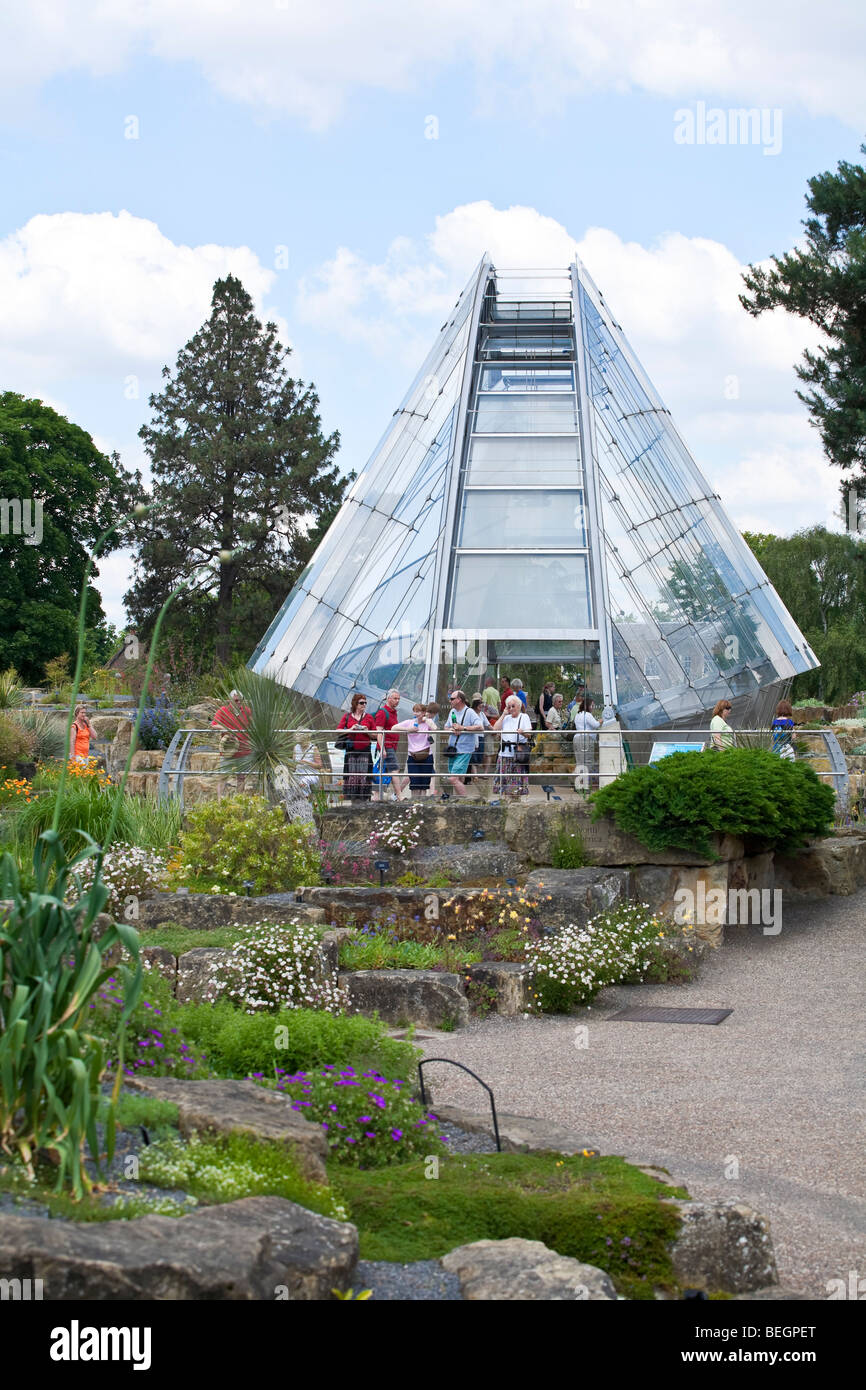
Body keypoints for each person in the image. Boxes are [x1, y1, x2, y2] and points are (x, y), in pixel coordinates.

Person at [445, 689, 484, 799]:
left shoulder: (470, 712)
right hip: (452, 749)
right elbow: (446, 727)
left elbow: (480, 726)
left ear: (459, 700)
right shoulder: (452, 712)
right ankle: (459, 801)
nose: (450, 701)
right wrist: (452, 729)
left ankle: (464, 800)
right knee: (459, 778)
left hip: (464, 750)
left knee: (453, 778)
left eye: (452, 699)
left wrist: (463, 728)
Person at [211, 688, 252, 792]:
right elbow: (214, 725)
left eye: (240, 700)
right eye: (236, 700)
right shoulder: (223, 710)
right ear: (230, 700)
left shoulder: (247, 711)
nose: (238, 702)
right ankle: (220, 804)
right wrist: (226, 729)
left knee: (241, 778)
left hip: (244, 751)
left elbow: (253, 726)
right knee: (223, 777)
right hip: (227, 752)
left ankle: (239, 804)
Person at [337, 693, 376, 801]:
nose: (364, 705)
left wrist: (367, 731)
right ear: (355, 704)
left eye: (365, 703)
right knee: (352, 777)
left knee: (364, 777)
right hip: (351, 751)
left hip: (364, 750)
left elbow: (376, 735)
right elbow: (338, 731)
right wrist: (351, 729)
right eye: (361, 703)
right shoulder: (347, 716)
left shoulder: (369, 717)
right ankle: (352, 800)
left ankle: (363, 800)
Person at [493, 694, 533, 798]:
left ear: (519, 706)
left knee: (516, 786)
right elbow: (495, 729)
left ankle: (515, 803)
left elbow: (529, 734)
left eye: (513, 706)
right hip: (504, 754)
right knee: (503, 785)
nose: (511, 708)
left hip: (517, 755)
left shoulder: (524, 717)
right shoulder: (505, 718)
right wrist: (503, 714)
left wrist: (522, 733)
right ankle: (505, 804)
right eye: (509, 706)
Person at [394, 703, 436, 798]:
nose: (416, 713)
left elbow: (434, 728)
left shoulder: (427, 722)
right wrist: (408, 729)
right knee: (414, 784)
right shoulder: (410, 722)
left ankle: (422, 806)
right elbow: (394, 727)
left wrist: (426, 720)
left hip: (426, 755)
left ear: (424, 712)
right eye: (415, 711)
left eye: (418, 711)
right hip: (413, 756)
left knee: (424, 785)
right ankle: (414, 805)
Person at [373, 688, 408, 801]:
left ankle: (376, 796)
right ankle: (399, 795)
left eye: (398, 699)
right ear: (388, 699)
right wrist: (382, 749)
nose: (397, 701)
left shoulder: (393, 713)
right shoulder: (383, 712)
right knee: (394, 770)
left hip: (392, 746)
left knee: (384, 770)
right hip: (387, 746)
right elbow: (379, 732)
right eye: (395, 698)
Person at [572, 698, 600, 789]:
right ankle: (585, 786)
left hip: (577, 738)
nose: (592, 707)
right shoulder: (587, 714)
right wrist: (601, 720)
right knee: (588, 762)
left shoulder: (578, 715)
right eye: (591, 705)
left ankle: (578, 785)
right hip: (585, 739)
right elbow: (595, 725)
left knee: (579, 762)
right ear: (587, 706)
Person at [469, 693, 494, 797]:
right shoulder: (471, 713)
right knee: (473, 756)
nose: (481, 706)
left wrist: (496, 731)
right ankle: (474, 776)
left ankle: (477, 775)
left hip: (481, 737)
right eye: (479, 704)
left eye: (482, 704)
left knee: (480, 756)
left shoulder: (482, 714)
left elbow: (488, 724)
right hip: (473, 737)